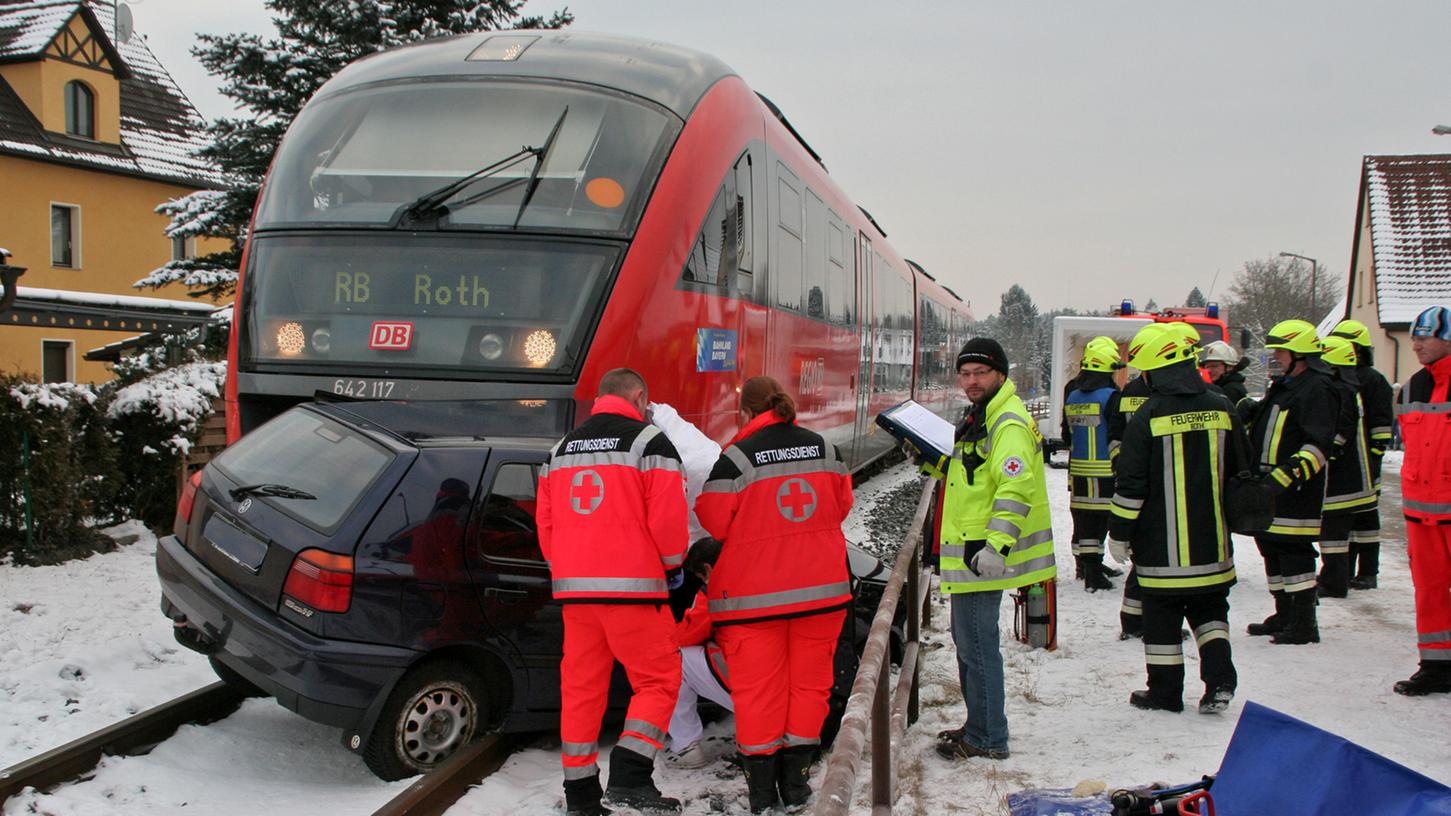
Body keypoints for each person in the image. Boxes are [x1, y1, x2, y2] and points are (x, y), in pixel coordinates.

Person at [696, 376, 852, 814]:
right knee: (809, 688)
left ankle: (762, 795)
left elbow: (713, 522)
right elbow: (841, 506)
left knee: (758, 694)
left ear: (745, 412)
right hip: (822, 597)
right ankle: (797, 785)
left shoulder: (736, 458)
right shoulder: (823, 448)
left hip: (752, 605)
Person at [536, 368, 688, 816]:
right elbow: (667, 524)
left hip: (575, 596)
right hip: (635, 592)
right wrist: (673, 567)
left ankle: (580, 794)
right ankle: (631, 774)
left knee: (582, 689)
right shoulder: (650, 444)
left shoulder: (558, 451)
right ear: (638, 396)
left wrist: (571, 568)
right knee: (659, 680)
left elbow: (545, 529)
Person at [927, 338, 1056, 762]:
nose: (971, 381)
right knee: (968, 645)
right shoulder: (984, 416)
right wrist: (926, 461)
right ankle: (979, 724)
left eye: (980, 373)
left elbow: (1016, 486)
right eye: (965, 374)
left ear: (1000, 373)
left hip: (983, 556)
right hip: (970, 552)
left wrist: (997, 545)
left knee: (979, 647)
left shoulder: (1009, 423)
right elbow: (971, 473)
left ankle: (988, 738)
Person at [1107, 323, 1242, 714]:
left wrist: (1119, 533)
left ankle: (1166, 694)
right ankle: (1220, 683)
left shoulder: (1149, 415)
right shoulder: (1222, 407)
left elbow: (1131, 484)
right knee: (1212, 615)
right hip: (1213, 544)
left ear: (1152, 372)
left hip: (1161, 548)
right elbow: (1240, 470)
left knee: (1162, 622)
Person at [1245, 319, 1339, 646]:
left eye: (1281, 351)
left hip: (1296, 491)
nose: (1276, 356)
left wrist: (1285, 477)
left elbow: (1317, 445)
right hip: (1270, 487)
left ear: (1300, 353)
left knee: (1294, 552)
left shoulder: (1318, 388)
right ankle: (1283, 613)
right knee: (1270, 547)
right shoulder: (1286, 385)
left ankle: (1303, 622)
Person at [1393, 305, 1451, 695]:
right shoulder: (1412, 387)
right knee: (1429, 591)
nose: (1415, 345)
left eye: (1423, 337)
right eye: (1413, 337)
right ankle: (1436, 667)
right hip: (1420, 513)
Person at [1328, 319, 1396, 590]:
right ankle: (1350, 569)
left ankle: (1368, 571)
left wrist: (1377, 450)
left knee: (1366, 518)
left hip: (1366, 457)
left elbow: (1381, 419)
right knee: (1352, 519)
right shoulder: (1342, 377)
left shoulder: (1372, 379)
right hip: (1352, 458)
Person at [1061, 336, 1125, 591]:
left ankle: (1087, 566)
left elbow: (1066, 434)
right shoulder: (1111, 396)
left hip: (1078, 470)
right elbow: (1116, 433)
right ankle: (1093, 574)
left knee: (1084, 520)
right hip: (1103, 470)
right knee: (1100, 522)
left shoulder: (1073, 395)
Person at [1315, 335, 1378, 598]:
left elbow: (1340, 433)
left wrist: (1323, 455)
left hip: (1343, 481)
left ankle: (1333, 583)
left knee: (1333, 536)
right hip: (1352, 478)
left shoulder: (1340, 392)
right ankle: (1335, 578)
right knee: (1337, 534)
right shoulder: (1349, 389)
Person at [667, 537, 735, 770]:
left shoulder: (715, 591)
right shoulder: (761, 576)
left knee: (673, 657)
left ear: (707, 569)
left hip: (748, 691)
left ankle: (685, 746)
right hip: (787, 693)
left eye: (700, 577)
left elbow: (686, 635)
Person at [1199, 340, 1254, 417]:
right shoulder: (1227, 386)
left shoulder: (1230, 390)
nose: (1209, 371)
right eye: (1207, 366)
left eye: (1214, 366)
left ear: (1229, 367)